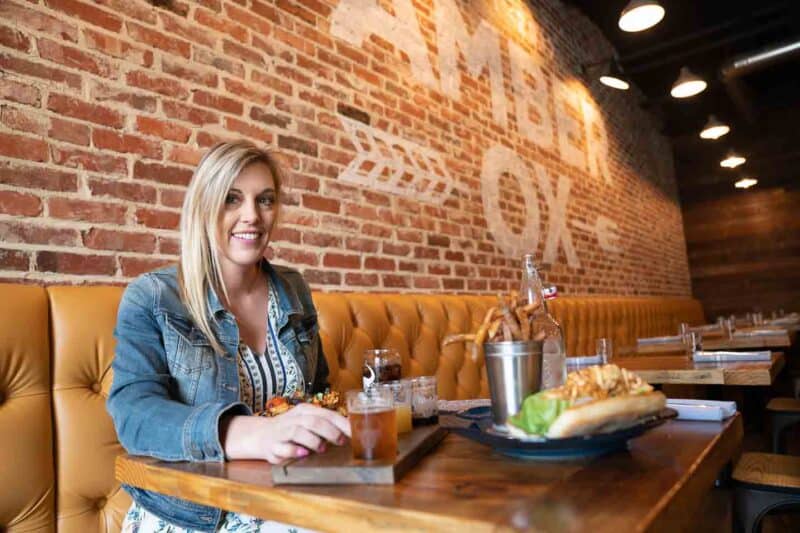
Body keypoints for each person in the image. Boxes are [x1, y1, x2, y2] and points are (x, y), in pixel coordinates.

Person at [108, 140, 350, 532]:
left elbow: (319, 390)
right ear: (204, 205)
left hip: (289, 496)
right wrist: (245, 433)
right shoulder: (153, 296)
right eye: (232, 199)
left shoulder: (293, 288)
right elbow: (133, 415)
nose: (252, 216)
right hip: (194, 512)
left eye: (265, 200)